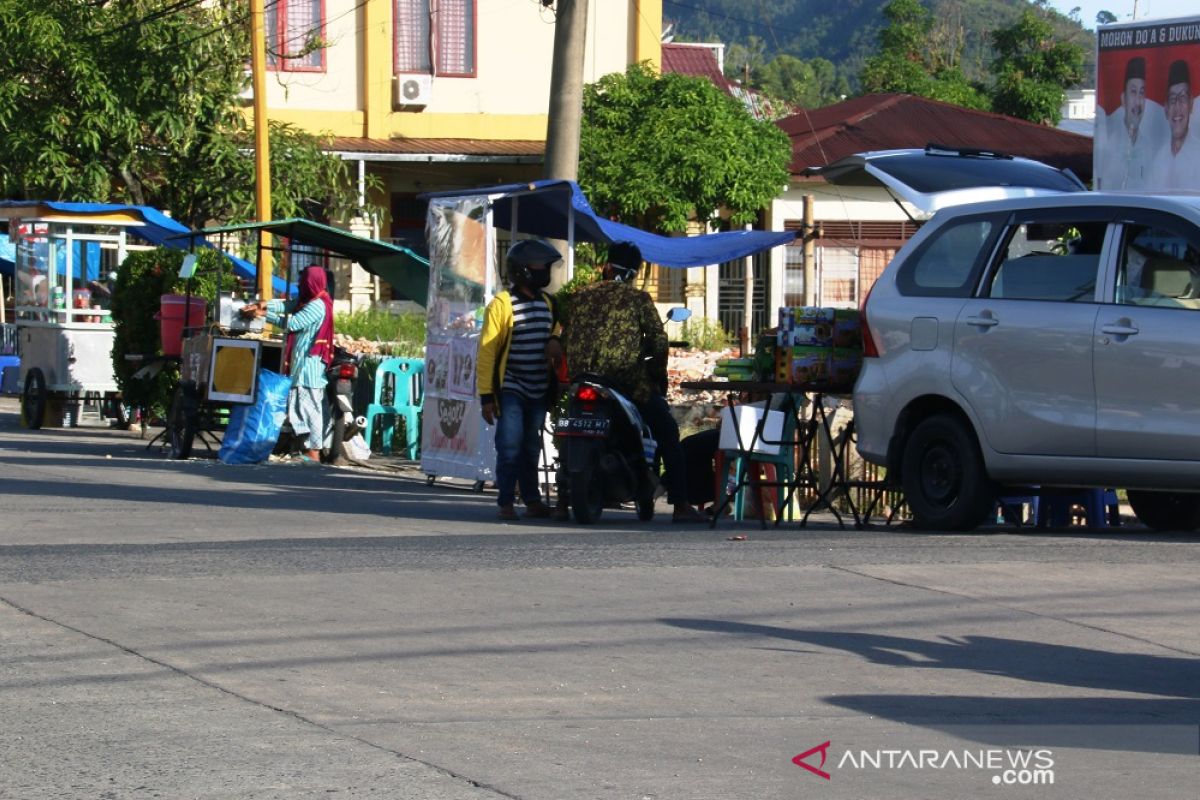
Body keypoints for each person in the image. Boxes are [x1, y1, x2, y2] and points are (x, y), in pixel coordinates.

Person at [553, 241, 707, 523]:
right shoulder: (637, 299)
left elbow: (564, 340)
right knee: (668, 432)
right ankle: (681, 505)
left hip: (582, 379)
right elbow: (659, 341)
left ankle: (562, 502)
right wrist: (657, 375)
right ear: (634, 273)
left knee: (565, 425)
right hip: (625, 382)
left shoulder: (578, 296)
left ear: (606, 267)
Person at [476, 239, 561, 521]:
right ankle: (505, 503)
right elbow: (487, 352)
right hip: (512, 386)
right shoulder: (502, 304)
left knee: (531, 446)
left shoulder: (549, 303)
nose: (545, 271)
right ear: (523, 270)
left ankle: (532, 499)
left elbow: (558, 334)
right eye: (541, 266)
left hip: (538, 388)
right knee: (509, 444)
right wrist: (487, 396)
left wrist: (555, 340)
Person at [243, 265, 334, 463]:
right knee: (305, 407)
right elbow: (290, 305)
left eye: (303, 283)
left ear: (312, 283)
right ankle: (308, 448)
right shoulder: (312, 301)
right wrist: (265, 305)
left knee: (311, 410)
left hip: (309, 366)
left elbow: (293, 323)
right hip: (304, 363)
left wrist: (262, 314)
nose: (301, 286)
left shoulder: (317, 305)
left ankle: (314, 452)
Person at [1097, 57, 1156, 190]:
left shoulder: (1148, 147)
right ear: (1124, 99)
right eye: (1133, 92)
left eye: (1142, 93)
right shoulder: (1110, 143)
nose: (1138, 101)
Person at [1148, 59, 1200, 191]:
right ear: (1166, 109)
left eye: (1182, 98)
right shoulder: (1158, 159)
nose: (1177, 107)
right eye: (1172, 99)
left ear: (1191, 105)